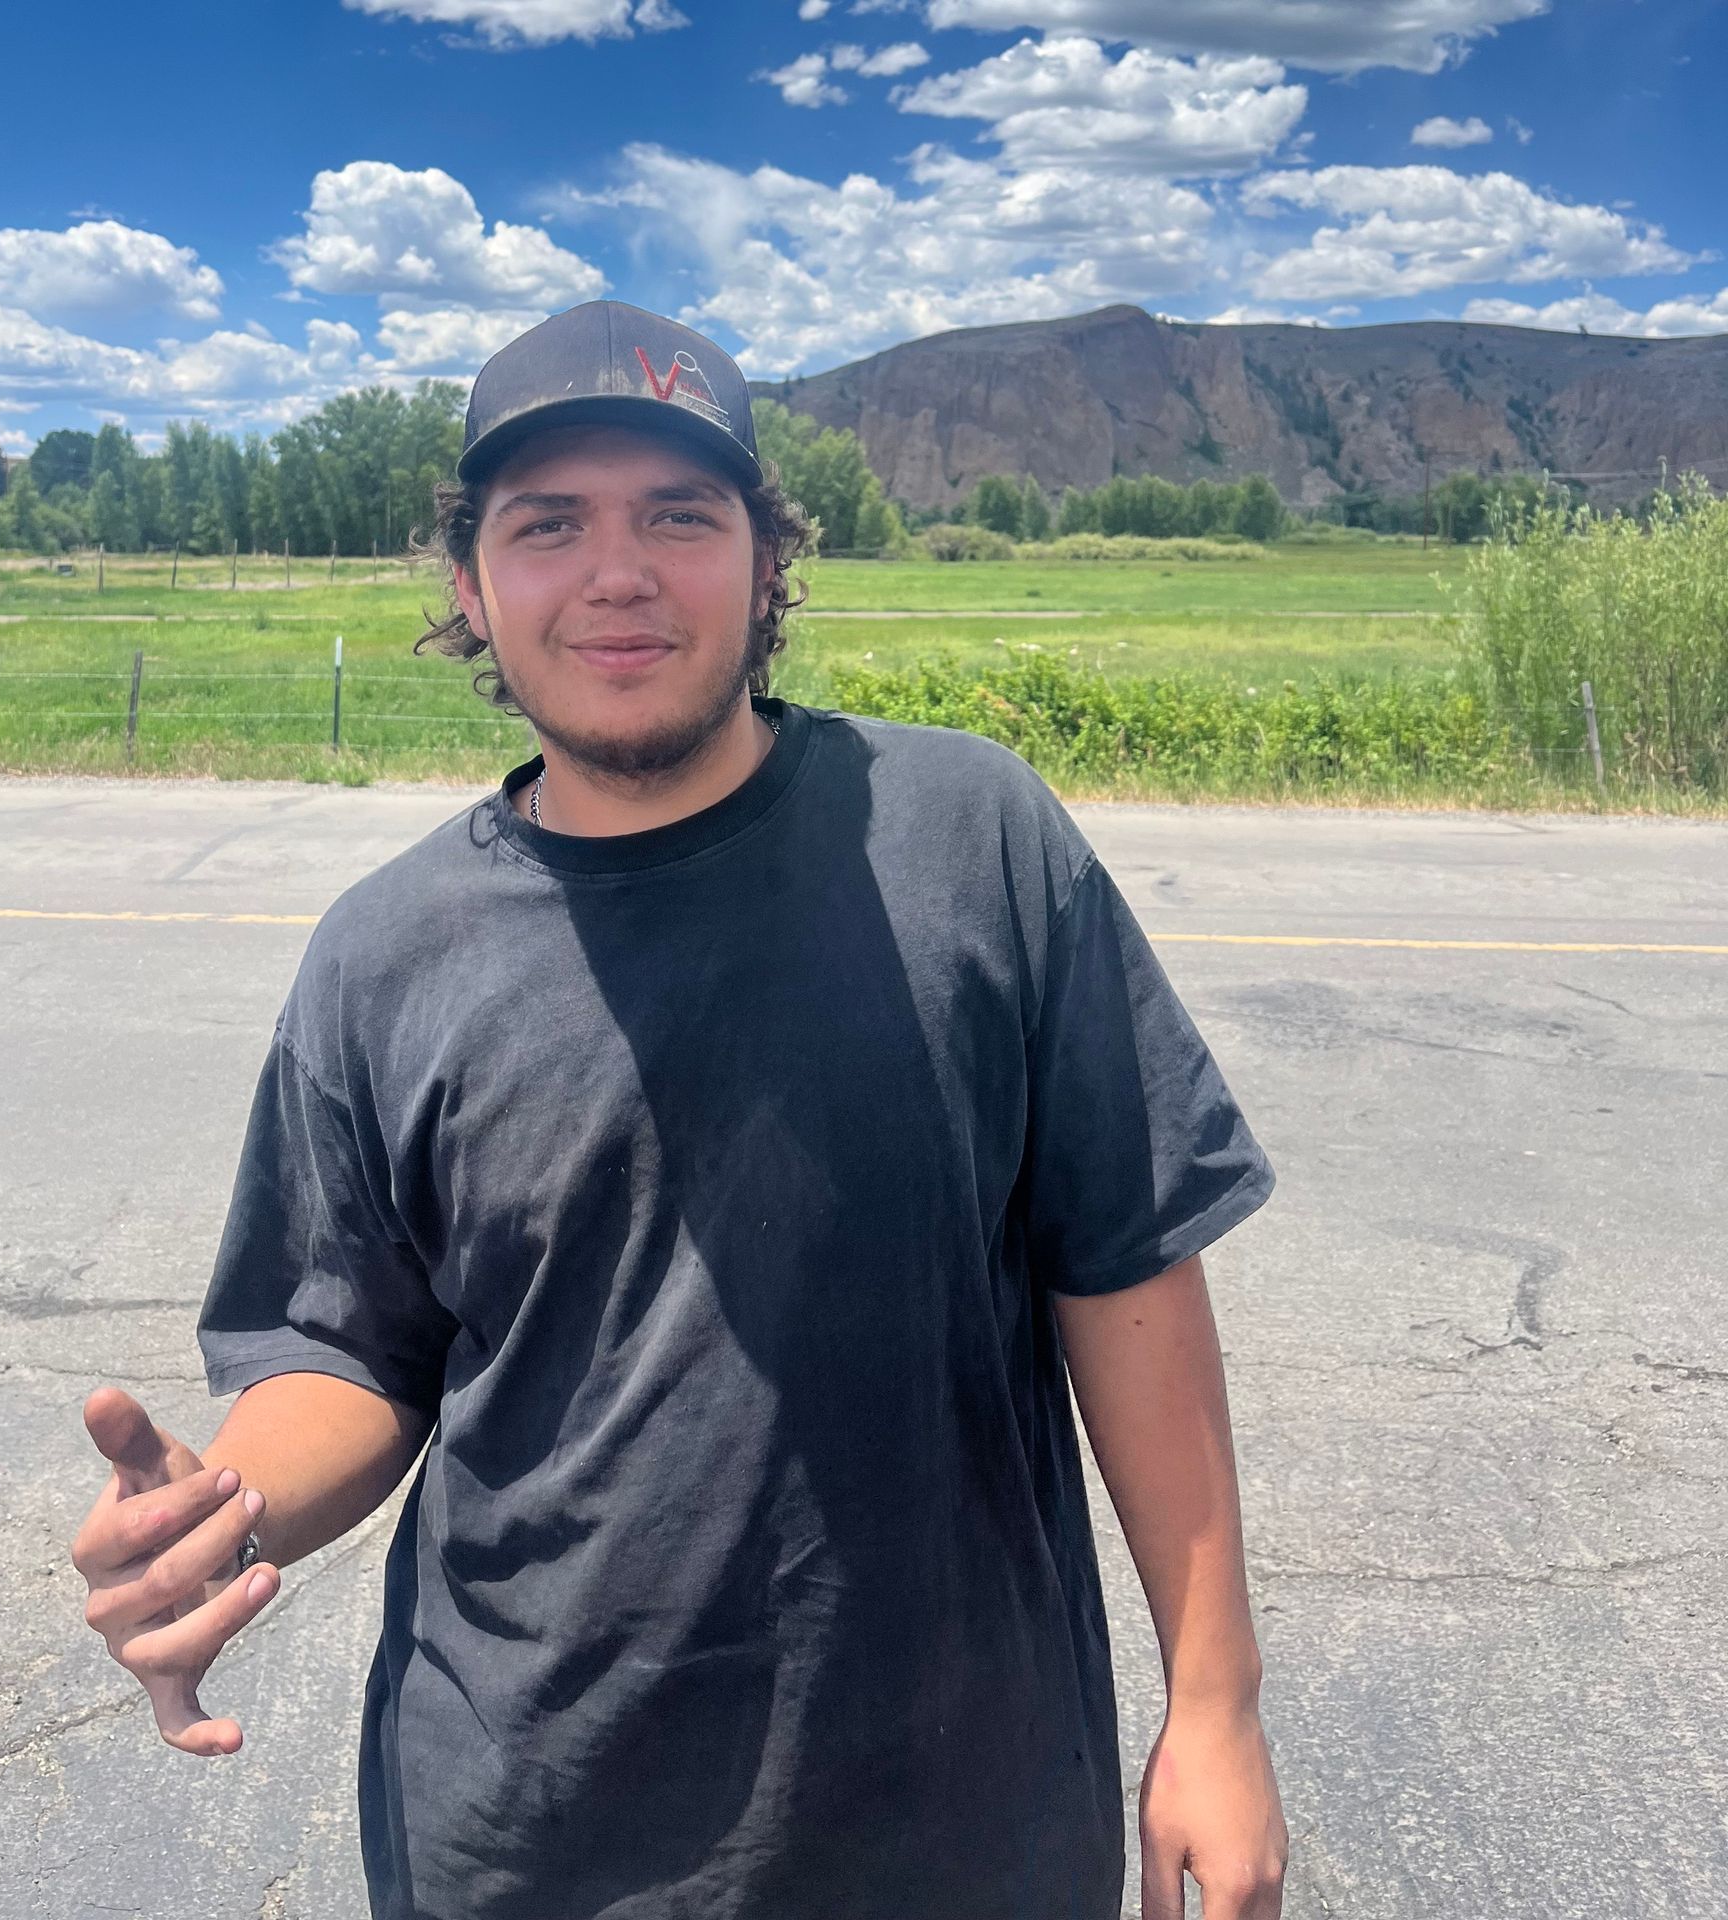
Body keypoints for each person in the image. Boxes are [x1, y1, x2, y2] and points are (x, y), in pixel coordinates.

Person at [69, 300, 1289, 1920]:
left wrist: (1214, 1707)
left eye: (680, 516)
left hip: (962, 1819)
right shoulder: (384, 950)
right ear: (470, 586)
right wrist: (220, 1513)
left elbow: (1126, 1273)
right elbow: (350, 1346)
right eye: (549, 524)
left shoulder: (974, 841)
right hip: (528, 1836)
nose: (618, 572)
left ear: (768, 562)